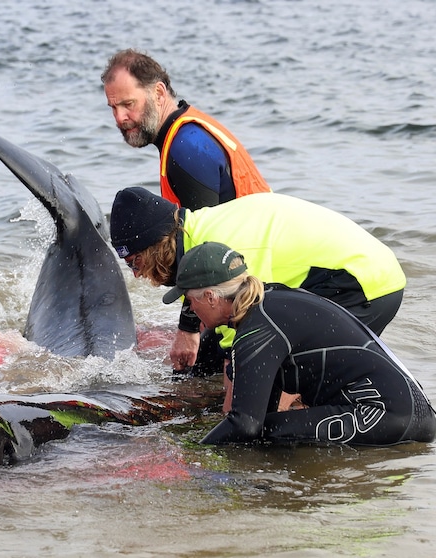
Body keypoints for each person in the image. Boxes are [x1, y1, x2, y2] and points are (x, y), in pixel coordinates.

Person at [110, 187, 406, 375]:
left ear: (158, 245)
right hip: (345, 272)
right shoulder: (198, 229)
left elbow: (242, 337)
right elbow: (202, 287)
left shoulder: (230, 247)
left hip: (364, 284)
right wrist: (188, 331)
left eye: (136, 263)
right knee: (205, 360)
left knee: (284, 371)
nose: (137, 274)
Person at [163, 242, 435, 446]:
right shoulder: (270, 302)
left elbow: (245, 426)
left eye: (189, 299)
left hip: (385, 414)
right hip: (411, 409)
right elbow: (257, 412)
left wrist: (192, 456)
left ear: (211, 297)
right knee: (262, 431)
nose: (190, 308)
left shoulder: (257, 329)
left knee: (264, 435)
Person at [101, 48, 271, 210]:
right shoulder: (184, 133)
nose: (119, 117)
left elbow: (205, 237)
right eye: (113, 107)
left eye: (128, 104)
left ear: (159, 93)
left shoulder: (187, 146)